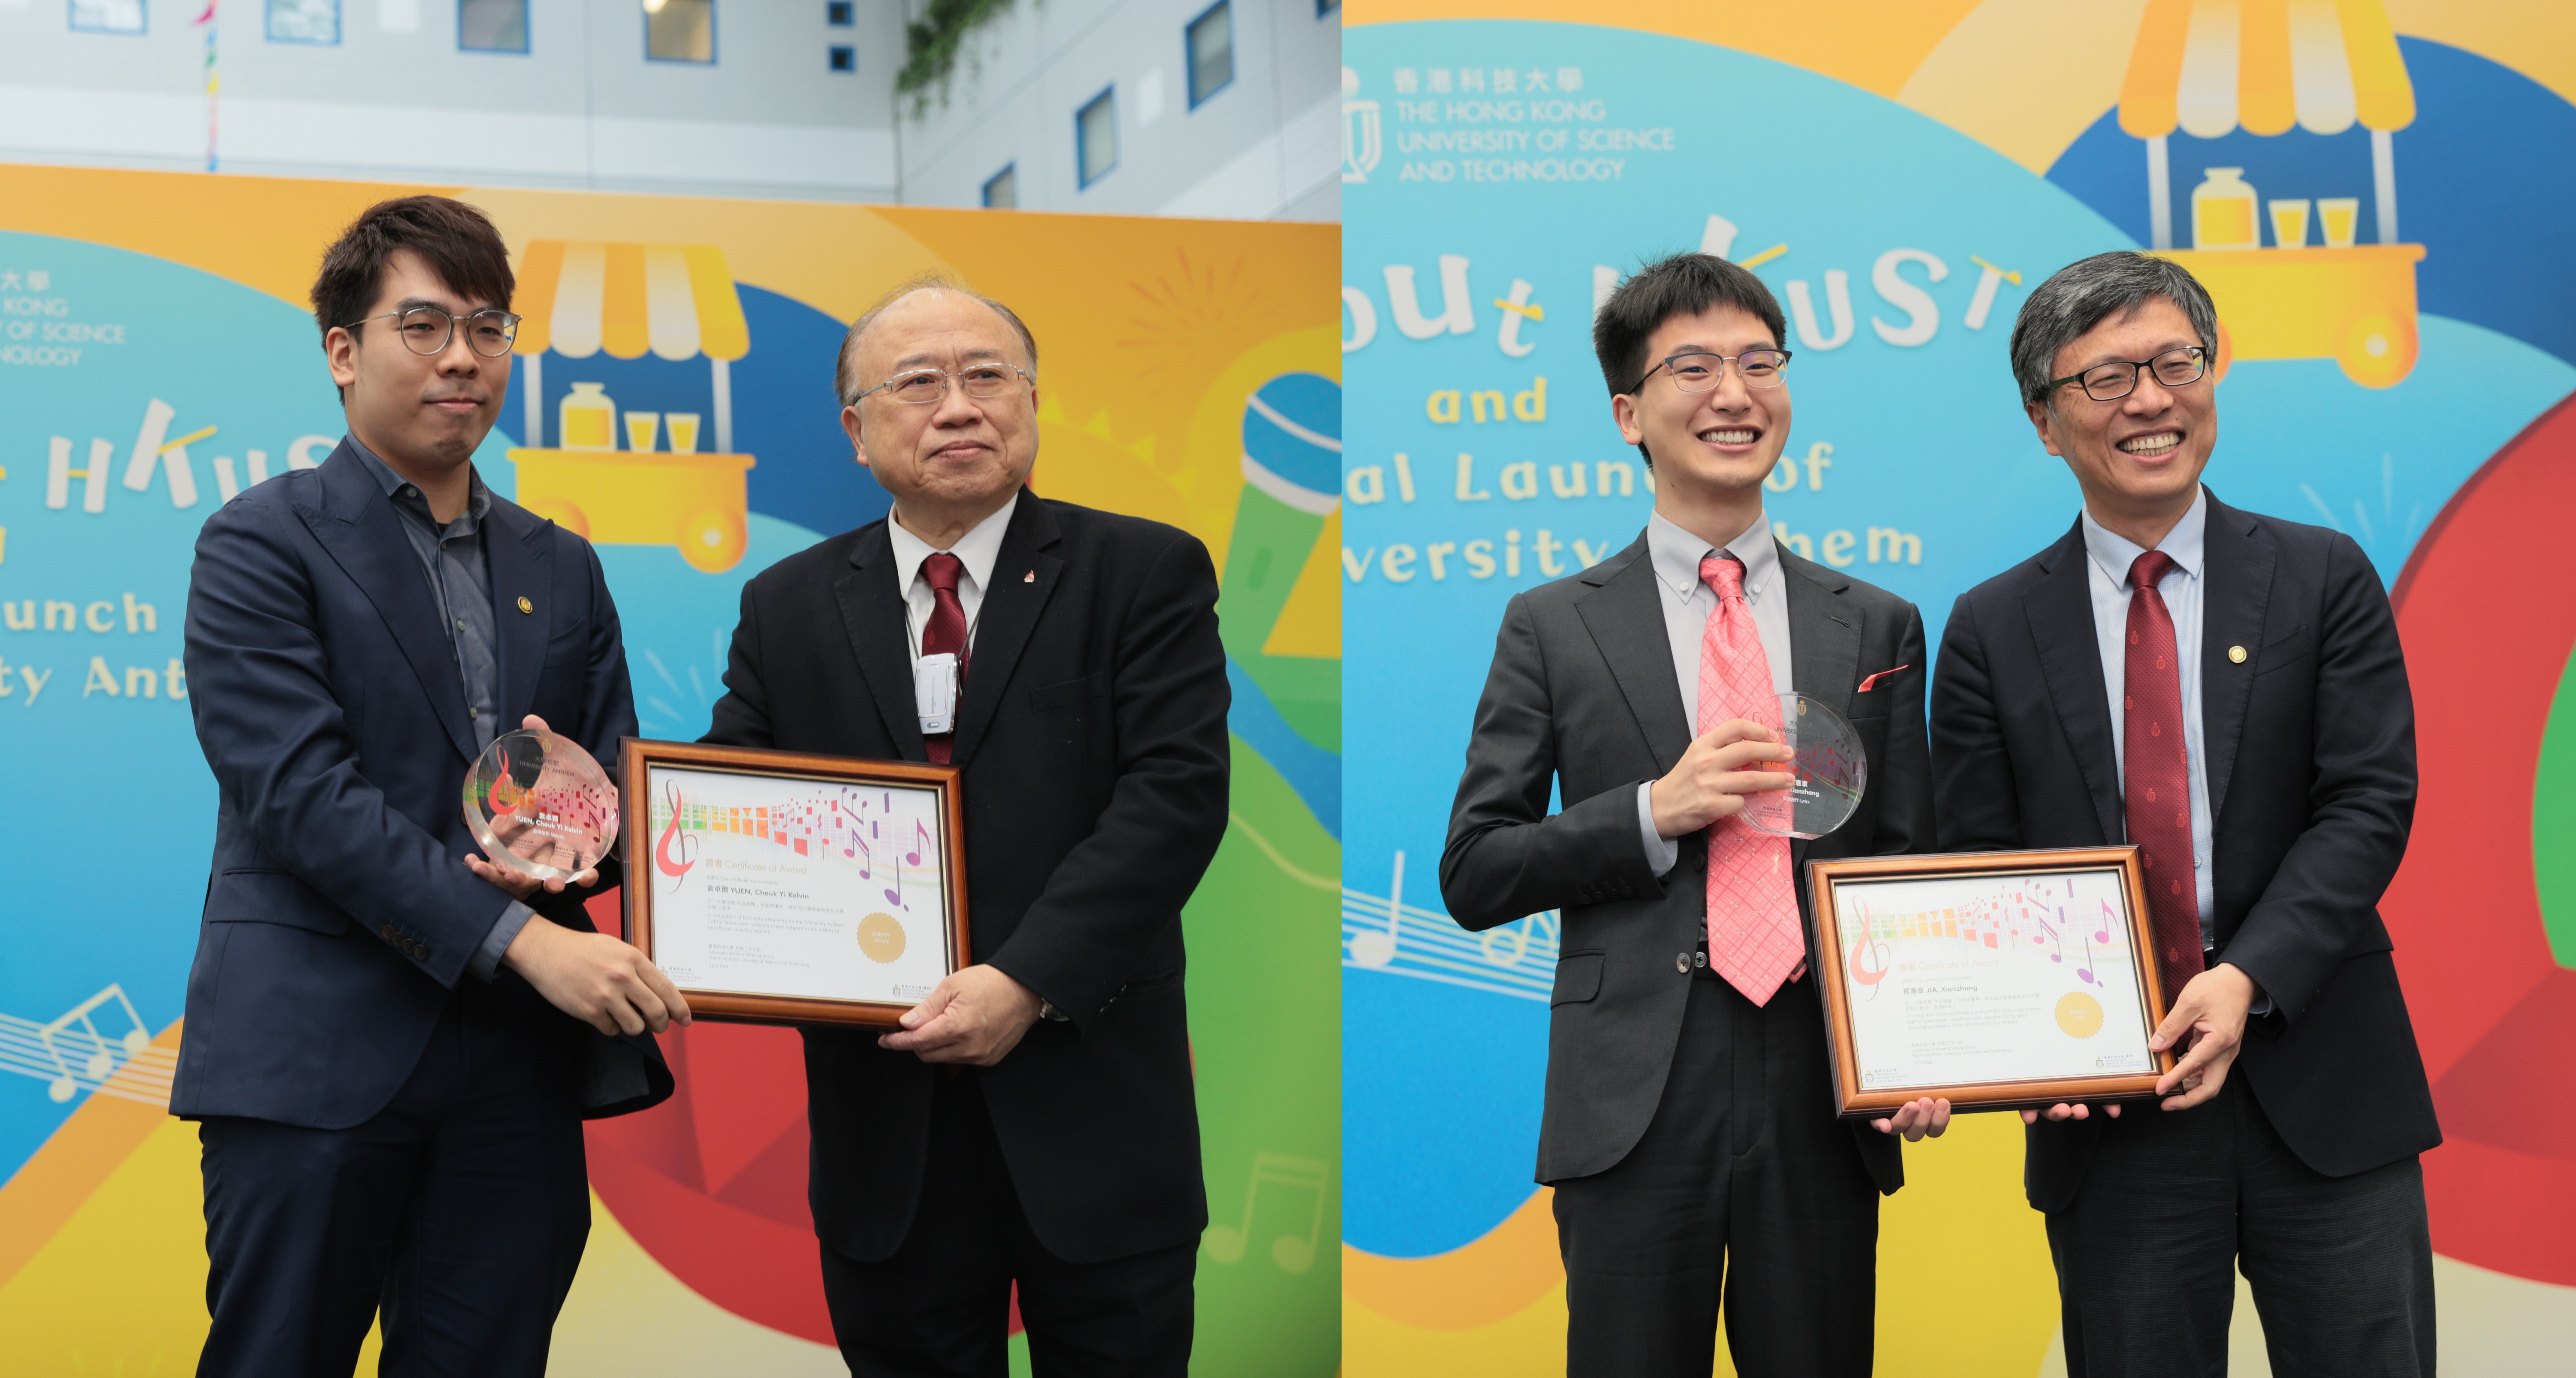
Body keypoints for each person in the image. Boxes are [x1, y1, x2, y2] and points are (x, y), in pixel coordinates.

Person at [175, 195, 688, 1378]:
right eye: (424, 324)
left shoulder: (564, 563)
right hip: (317, 1052)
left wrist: (577, 834)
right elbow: (299, 795)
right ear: (343, 352)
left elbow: (611, 789)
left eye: (489, 327)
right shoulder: (262, 540)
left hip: (514, 1066)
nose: (464, 355)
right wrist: (524, 940)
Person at [700, 276, 1231, 1377]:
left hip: (1094, 1116)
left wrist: (1025, 982)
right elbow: (733, 800)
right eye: (918, 383)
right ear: (856, 432)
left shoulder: (1144, 571)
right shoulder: (787, 605)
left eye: (988, 375)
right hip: (887, 1132)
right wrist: (589, 823)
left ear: (1030, 402)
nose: (959, 407)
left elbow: (1174, 797)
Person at [1930, 250, 2439, 1375]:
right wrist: (2029, 1045)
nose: (2151, 401)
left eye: (2177, 363)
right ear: (2045, 421)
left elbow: (2367, 802)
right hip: (2116, 1107)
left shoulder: (2322, 576)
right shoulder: (1991, 628)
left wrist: (2247, 977)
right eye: (2107, 378)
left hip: (2324, 1074)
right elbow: (1980, 864)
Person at [1441, 252, 1947, 1378]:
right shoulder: (1554, 625)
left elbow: (1904, 865)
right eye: (1694, 367)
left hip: (1822, 1090)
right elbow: (1475, 869)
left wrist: (1913, 1048)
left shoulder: (1876, 623)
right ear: (1630, 413)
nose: (1734, 393)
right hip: (1634, 1095)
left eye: (1761, 363)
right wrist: (1650, 813)